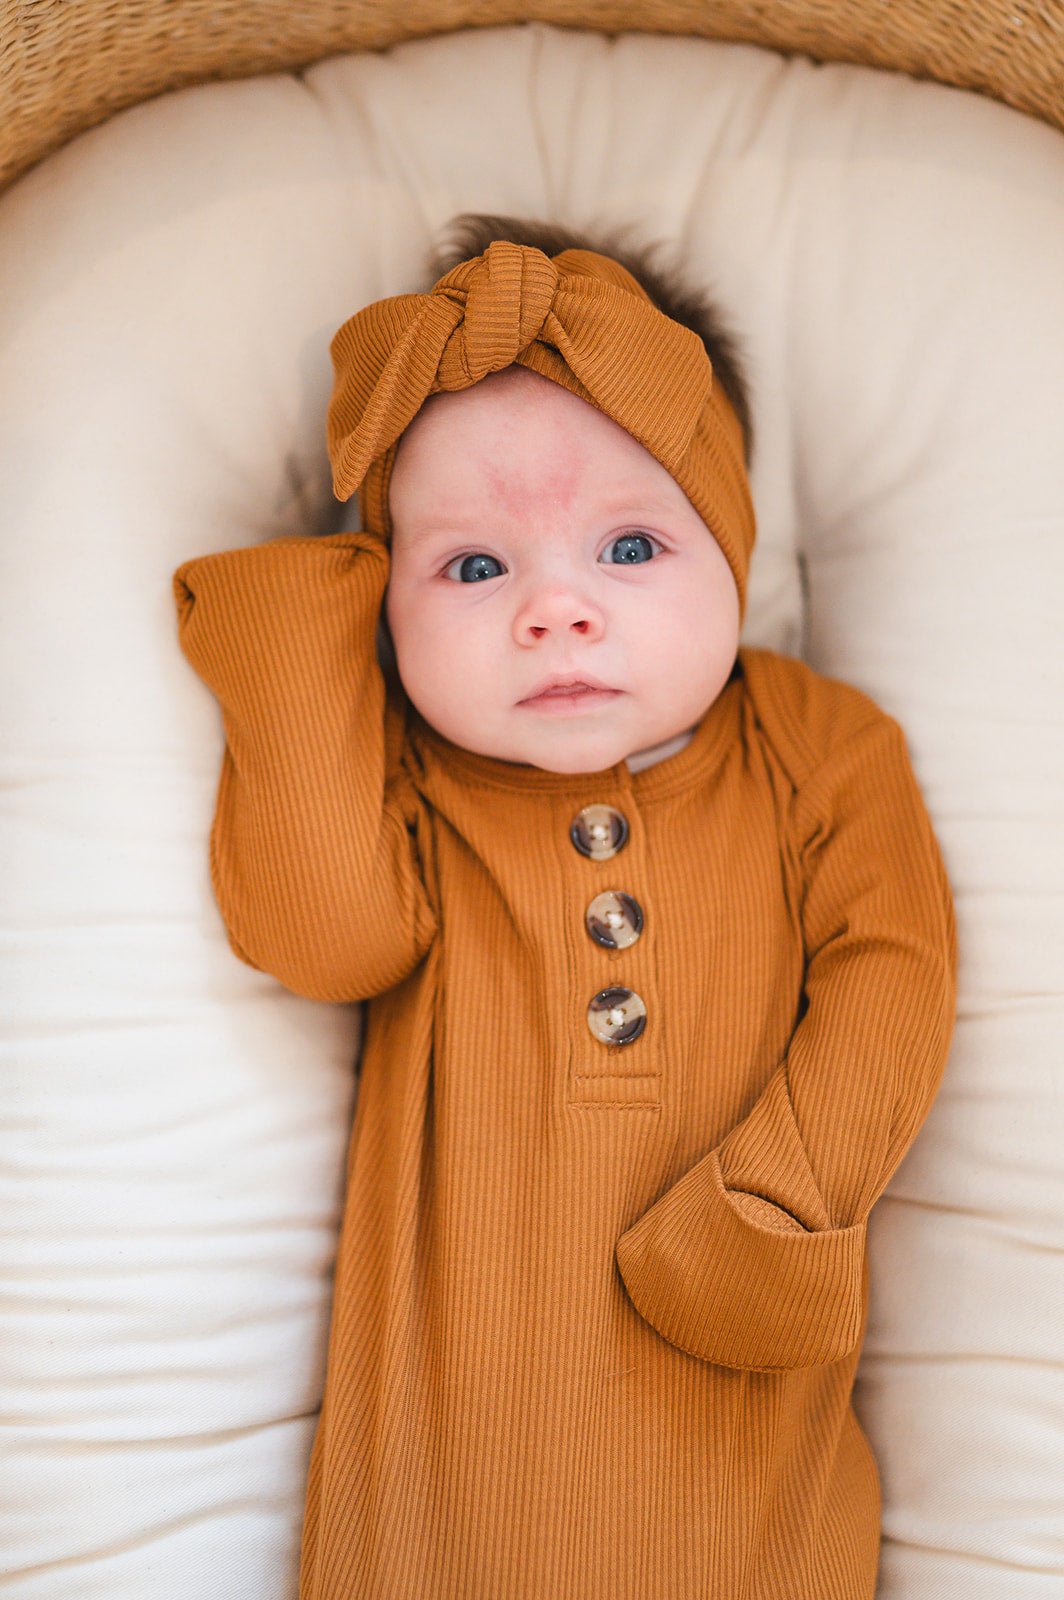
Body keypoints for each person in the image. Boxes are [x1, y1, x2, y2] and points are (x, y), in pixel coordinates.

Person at [172, 214, 958, 1600]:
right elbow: (323, 935)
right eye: (474, 569)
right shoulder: (422, 784)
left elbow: (894, 975)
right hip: (451, 1444)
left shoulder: (818, 745)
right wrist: (306, 643)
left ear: (735, 558)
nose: (557, 611)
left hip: (741, 1358)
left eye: (634, 549)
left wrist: (776, 1198)